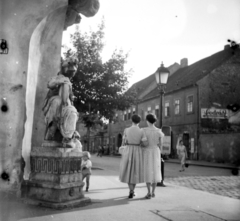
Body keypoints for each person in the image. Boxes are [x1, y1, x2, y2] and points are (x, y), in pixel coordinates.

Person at [42, 57, 79, 147]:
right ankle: (51, 132)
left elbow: (69, 98)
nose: (71, 74)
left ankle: (68, 137)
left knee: (73, 111)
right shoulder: (57, 78)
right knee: (57, 102)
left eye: (73, 72)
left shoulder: (69, 83)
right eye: (70, 71)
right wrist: (60, 81)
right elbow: (50, 84)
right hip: (53, 103)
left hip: (66, 105)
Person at [119, 114, 145, 198]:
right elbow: (144, 143)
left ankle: (131, 190)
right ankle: (133, 190)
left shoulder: (126, 130)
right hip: (138, 150)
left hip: (128, 149)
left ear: (131, 120)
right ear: (139, 121)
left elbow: (123, 142)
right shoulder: (142, 131)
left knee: (128, 170)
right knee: (135, 171)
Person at [142, 114, 164, 199]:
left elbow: (144, 143)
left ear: (147, 120)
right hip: (156, 151)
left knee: (148, 171)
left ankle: (148, 192)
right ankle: (153, 192)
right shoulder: (159, 131)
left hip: (147, 151)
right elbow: (161, 144)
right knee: (155, 171)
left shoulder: (144, 130)